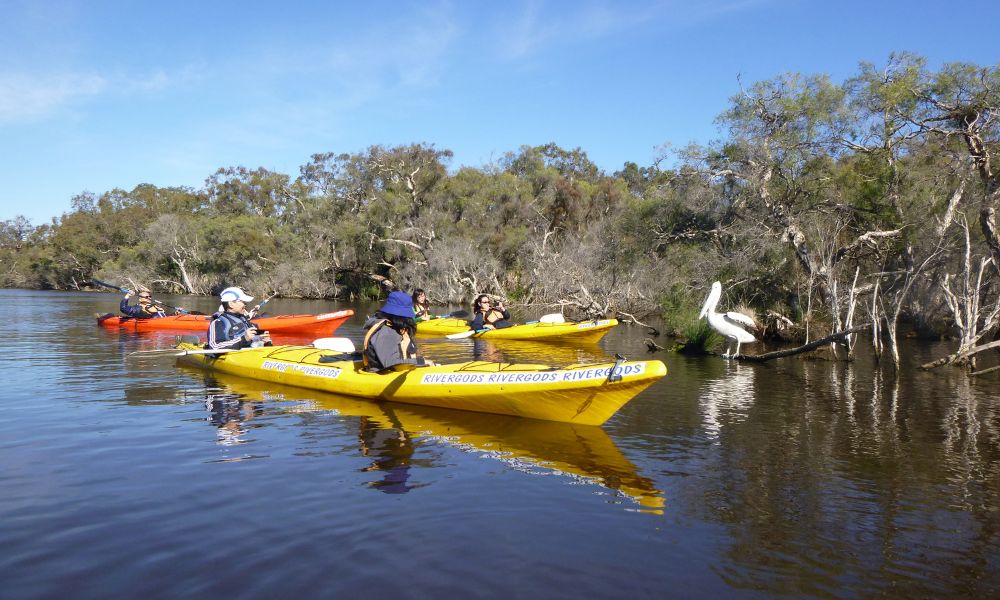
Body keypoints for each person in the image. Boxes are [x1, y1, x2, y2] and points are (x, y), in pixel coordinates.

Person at [362, 291, 436, 372]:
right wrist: (421, 362)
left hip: (403, 370)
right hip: (384, 375)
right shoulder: (386, 332)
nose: (409, 319)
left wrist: (420, 361)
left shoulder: (398, 328)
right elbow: (391, 363)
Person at [207, 286, 271, 350]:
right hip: (232, 356)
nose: (245, 304)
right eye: (242, 301)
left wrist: (264, 341)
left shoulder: (245, 320)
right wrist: (244, 339)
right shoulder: (218, 323)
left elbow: (254, 342)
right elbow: (214, 346)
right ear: (231, 304)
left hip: (249, 355)